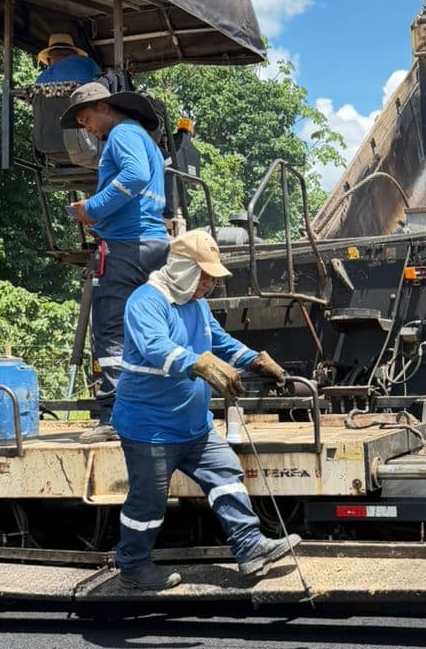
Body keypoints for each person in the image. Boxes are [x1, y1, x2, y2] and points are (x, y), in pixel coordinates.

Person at [110, 229, 299, 592]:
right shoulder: (146, 301)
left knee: (226, 473)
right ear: (182, 269)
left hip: (193, 425)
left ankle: (250, 549)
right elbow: (156, 347)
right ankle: (133, 566)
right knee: (148, 502)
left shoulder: (195, 304)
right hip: (150, 426)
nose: (211, 283)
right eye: (206, 274)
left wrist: (255, 361)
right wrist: (199, 364)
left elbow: (220, 342)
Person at [59, 81, 170, 436]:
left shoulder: (121, 135)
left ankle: (114, 418)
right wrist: (102, 220)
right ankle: (152, 409)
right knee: (148, 329)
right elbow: (142, 191)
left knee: (109, 330)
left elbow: (134, 177)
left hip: (126, 249)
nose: (86, 129)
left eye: (86, 119)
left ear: (104, 107)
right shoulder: (143, 139)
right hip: (152, 243)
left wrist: (91, 207)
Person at [35, 33, 101, 85]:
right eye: (59, 54)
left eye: (65, 55)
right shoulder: (89, 64)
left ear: (49, 61)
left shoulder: (41, 79)